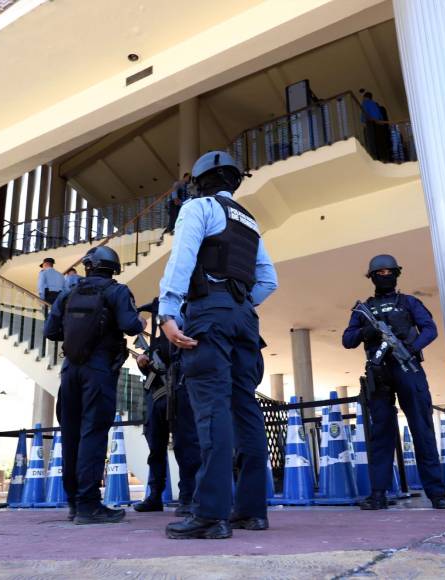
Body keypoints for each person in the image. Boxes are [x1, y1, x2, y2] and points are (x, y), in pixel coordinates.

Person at [157, 150, 278, 540]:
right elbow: (268, 280)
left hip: (210, 313)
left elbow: (183, 256)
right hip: (245, 318)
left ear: (201, 181)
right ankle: (252, 512)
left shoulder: (198, 207)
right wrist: (239, 303)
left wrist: (168, 310)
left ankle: (211, 515)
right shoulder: (249, 221)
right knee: (245, 410)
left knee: (210, 409)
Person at [342, 254, 445, 511]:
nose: (384, 276)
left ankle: (436, 493)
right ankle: (378, 493)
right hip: (379, 373)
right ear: (371, 277)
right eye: (378, 273)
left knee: (422, 430)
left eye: (388, 272)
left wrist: (412, 349)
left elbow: (430, 329)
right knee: (381, 433)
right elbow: (347, 340)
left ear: (396, 273)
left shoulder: (408, 302)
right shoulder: (363, 309)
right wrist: (366, 331)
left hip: (408, 369)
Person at [44, 245, 146, 525]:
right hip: (99, 371)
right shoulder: (117, 291)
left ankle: (75, 504)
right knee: (94, 433)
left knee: (72, 434)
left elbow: (50, 331)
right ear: (112, 268)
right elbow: (131, 326)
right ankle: (90, 505)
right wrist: (140, 320)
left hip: (70, 371)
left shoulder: (67, 293)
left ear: (88, 266)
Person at [132, 299, 201, 517]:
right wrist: (143, 364)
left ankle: (188, 497)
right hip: (157, 399)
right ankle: (155, 496)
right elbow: (153, 375)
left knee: (185, 447)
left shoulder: (184, 335)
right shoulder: (156, 342)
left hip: (180, 397)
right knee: (156, 451)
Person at [360, 91, 389, 161]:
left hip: (370, 123)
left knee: (371, 141)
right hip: (379, 123)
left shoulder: (365, 103)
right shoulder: (375, 104)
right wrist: (382, 121)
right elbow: (380, 114)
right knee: (380, 141)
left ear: (365, 97)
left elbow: (364, 113)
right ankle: (383, 158)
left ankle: (374, 158)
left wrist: (363, 121)